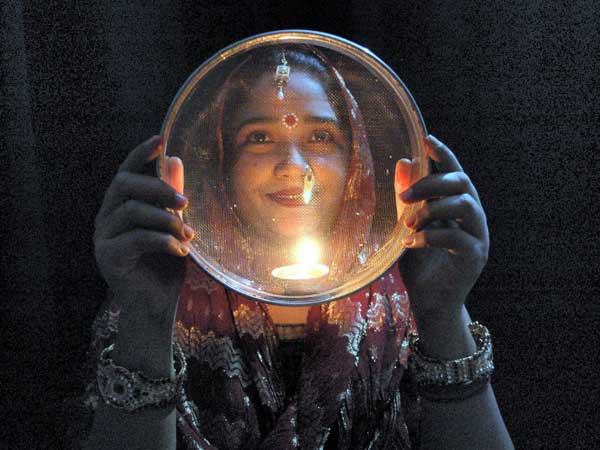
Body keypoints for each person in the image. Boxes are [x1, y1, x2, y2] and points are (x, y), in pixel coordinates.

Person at [75, 47, 514, 450]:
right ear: (223, 162)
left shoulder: (407, 303)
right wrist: (148, 320)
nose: (292, 167)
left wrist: (442, 315)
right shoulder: (156, 294)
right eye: (259, 137)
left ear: (354, 160)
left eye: (321, 137)